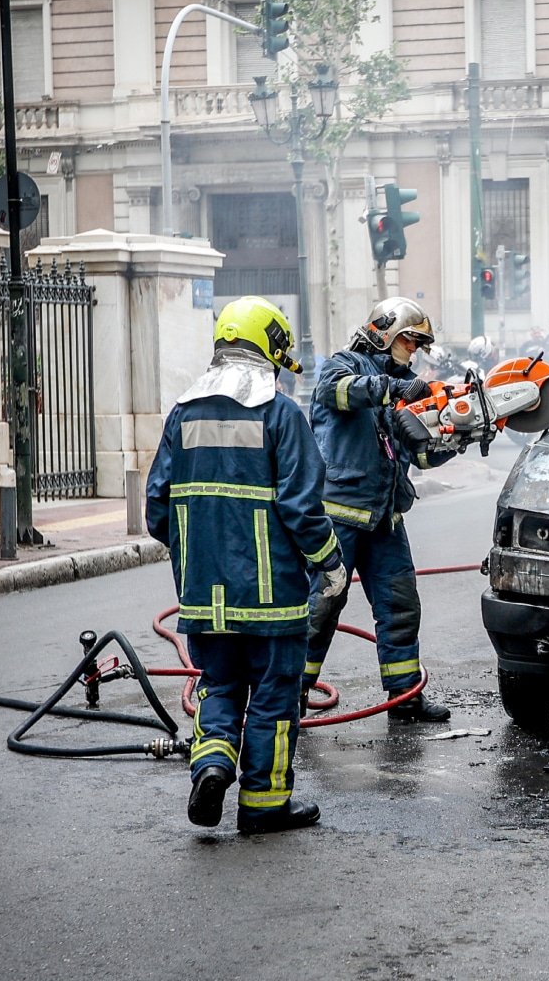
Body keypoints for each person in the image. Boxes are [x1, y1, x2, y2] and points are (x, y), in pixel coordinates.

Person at [146, 296, 346, 835]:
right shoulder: (280, 414)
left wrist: (198, 553)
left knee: (219, 685)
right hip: (271, 596)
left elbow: (156, 511)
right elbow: (303, 509)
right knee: (275, 697)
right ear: (268, 349)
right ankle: (263, 805)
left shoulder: (181, 414)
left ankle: (211, 765)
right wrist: (331, 566)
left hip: (202, 594)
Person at [304, 297, 456, 723]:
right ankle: (292, 692)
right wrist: (391, 390)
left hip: (386, 518)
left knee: (400, 605)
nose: (415, 350)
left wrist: (449, 443)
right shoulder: (342, 365)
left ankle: (404, 697)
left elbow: (415, 455)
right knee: (322, 604)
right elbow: (335, 393)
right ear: (385, 331)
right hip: (339, 515)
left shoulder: (407, 386)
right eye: (411, 340)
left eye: (420, 343)